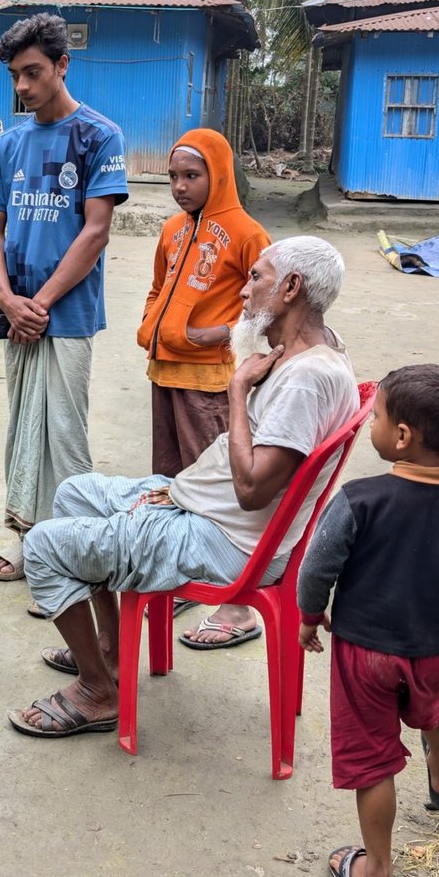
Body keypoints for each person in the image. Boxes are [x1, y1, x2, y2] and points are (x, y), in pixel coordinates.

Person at [7, 235, 358, 737]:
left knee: (42, 546)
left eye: (256, 277)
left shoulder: (305, 378)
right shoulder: (315, 349)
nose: (244, 290)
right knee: (73, 494)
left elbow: (252, 491)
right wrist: (180, 492)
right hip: (212, 513)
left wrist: (236, 389)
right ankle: (110, 650)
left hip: (229, 540)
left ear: (291, 288)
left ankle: (97, 691)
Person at [298, 365, 439, 877]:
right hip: (432, 650)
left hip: (362, 654)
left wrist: (309, 615)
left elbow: (317, 567)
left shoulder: (359, 499)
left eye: (378, 416)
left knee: (372, 762)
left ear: (403, 436)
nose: (372, 424)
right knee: (434, 708)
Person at [0, 12, 129, 596]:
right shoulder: (9, 144)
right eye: (15, 75)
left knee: (64, 433)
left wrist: (37, 304)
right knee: (23, 427)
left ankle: (74, 551)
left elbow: (95, 231)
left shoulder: (99, 136)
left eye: (33, 72)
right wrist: (7, 300)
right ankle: (28, 535)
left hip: (64, 315)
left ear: (62, 65)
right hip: (16, 313)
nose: (22, 86)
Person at [136, 128, 272, 650]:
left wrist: (213, 335)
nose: (180, 186)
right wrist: (151, 326)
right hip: (164, 373)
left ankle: (238, 605)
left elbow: (266, 307)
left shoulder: (247, 233)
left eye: (191, 175)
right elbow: (157, 286)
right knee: (172, 482)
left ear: (218, 174)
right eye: (173, 176)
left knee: (216, 488)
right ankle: (186, 576)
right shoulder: (172, 229)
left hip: (210, 381)